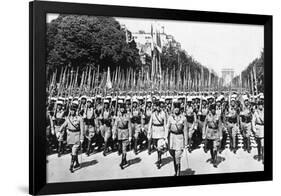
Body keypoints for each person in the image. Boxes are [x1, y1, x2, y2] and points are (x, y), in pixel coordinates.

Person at [59, 103, 84, 173]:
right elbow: (64, 125)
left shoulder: (80, 119)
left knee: (74, 150)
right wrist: (59, 131)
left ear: (76, 110)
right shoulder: (68, 118)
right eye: (71, 110)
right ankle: (77, 163)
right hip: (70, 136)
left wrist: (82, 138)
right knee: (73, 152)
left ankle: (71, 166)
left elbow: (82, 129)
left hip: (76, 136)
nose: (72, 111)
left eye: (73, 110)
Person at [165, 100, 188, 176]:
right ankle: (176, 171)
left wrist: (186, 142)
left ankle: (178, 173)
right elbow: (167, 127)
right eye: (175, 108)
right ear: (173, 109)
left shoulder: (184, 118)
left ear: (180, 109)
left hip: (179, 138)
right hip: (172, 138)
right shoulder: (170, 117)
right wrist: (165, 137)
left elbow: (185, 130)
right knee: (173, 156)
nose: (176, 109)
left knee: (177, 156)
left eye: (178, 108)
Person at [148, 100, 167, 169]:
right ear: (155, 107)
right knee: (156, 146)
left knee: (159, 146)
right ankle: (160, 154)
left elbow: (165, 124)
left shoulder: (163, 114)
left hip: (161, 131)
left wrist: (166, 134)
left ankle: (159, 160)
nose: (158, 108)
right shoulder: (153, 114)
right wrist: (149, 132)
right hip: (155, 131)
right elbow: (150, 123)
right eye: (157, 106)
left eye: (159, 106)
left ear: (160, 107)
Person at [112, 103, 132, 169]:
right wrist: (114, 134)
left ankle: (122, 162)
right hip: (119, 133)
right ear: (119, 109)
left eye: (123, 108)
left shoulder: (127, 116)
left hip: (125, 133)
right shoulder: (118, 116)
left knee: (124, 148)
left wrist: (130, 136)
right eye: (121, 108)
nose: (122, 109)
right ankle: (125, 160)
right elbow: (115, 126)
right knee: (120, 148)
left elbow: (129, 127)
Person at [203, 104, 222, 168]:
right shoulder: (208, 116)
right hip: (209, 133)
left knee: (215, 148)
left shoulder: (218, 116)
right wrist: (204, 134)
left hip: (216, 132)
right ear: (210, 110)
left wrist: (221, 135)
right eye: (212, 109)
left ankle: (215, 161)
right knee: (211, 147)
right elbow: (204, 125)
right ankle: (212, 157)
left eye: (214, 109)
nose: (213, 110)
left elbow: (220, 126)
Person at [252, 96, 264, 163]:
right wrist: (254, 129)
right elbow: (253, 121)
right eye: (259, 105)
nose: (260, 106)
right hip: (258, 128)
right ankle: (259, 155)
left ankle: (263, 157)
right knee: (259, 144)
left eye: (261, 105)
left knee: (263, 144)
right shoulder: (256, 112)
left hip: (263, 128)